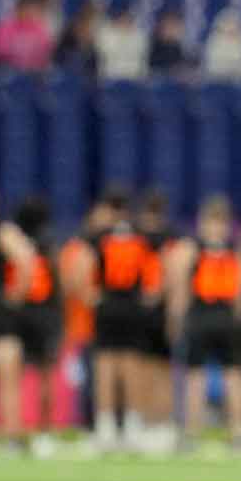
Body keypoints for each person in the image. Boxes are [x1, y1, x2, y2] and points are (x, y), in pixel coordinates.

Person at [167, 195, 241, 449]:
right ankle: (240, 432)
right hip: (227, 317)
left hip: (200, 316)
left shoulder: (189, 249)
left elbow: (180, 291)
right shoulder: (240, 250)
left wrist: (175, 320)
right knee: (234, 374)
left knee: (196, 376)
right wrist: (239, 320)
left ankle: (192, 433)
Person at [85, 187, 152, 451]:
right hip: (133, 306)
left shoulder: (98, 237)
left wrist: (91, 296)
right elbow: (154, 273)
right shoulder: (141, 237)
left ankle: (106, 427)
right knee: (132, 367)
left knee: (105, 367)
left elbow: (82, 266)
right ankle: (133, 427)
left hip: (108, 305)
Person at [0, 181, 35, 448]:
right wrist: (17, 295)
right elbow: (26, 259)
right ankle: (12, 434)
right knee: (8, 377)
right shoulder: (2, 231)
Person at [12, 197, 65, 455]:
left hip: (22, 312)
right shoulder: (49, 244)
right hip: (45, 314)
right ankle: (44, 430)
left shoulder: (16, 241)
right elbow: (60, 282)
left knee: (18, 375)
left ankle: (19, 430)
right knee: (45, 375)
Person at [135, 190, 178, 453]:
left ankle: (148, 423)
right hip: (161, 310)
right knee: (162, 372)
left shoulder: (137, 238)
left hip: (143, 309)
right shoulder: (171, 240)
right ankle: (161, 425)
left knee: (146, 370)